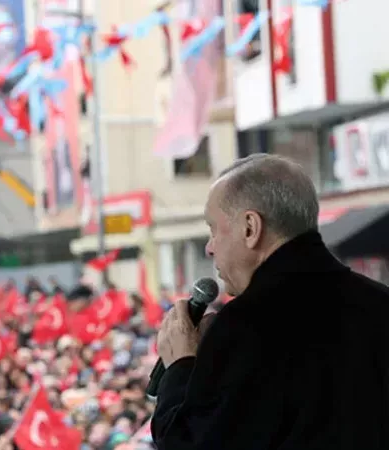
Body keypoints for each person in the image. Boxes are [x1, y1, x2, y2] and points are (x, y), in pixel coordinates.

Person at [152, 154, 389, 449]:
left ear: (250, 228)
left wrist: (180, 366)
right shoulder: (381, 305)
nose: (210, 248)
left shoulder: (244, 326)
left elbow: (189, 443)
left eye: (214, 230)